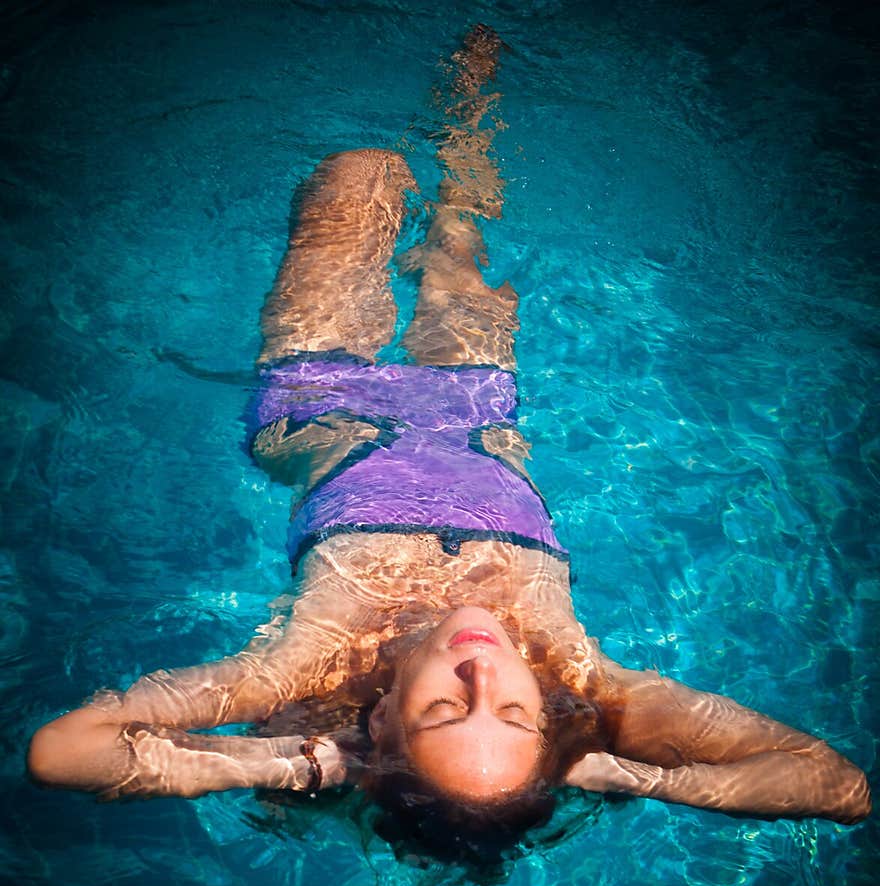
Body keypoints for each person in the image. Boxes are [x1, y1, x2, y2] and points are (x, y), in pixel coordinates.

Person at [26, 26, 871, 845]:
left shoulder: (301, 670)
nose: (482, 673)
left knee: (362, 175)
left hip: (324, 399)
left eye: (441, 709)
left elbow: (64, 752)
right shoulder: (584, 681)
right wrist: (637, 775)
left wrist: (302, 763)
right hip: (474, 408)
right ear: (546, 723)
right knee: (459, 225)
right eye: (510, 711)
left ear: (384, 719)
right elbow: (838, 785)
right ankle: (469, 84)